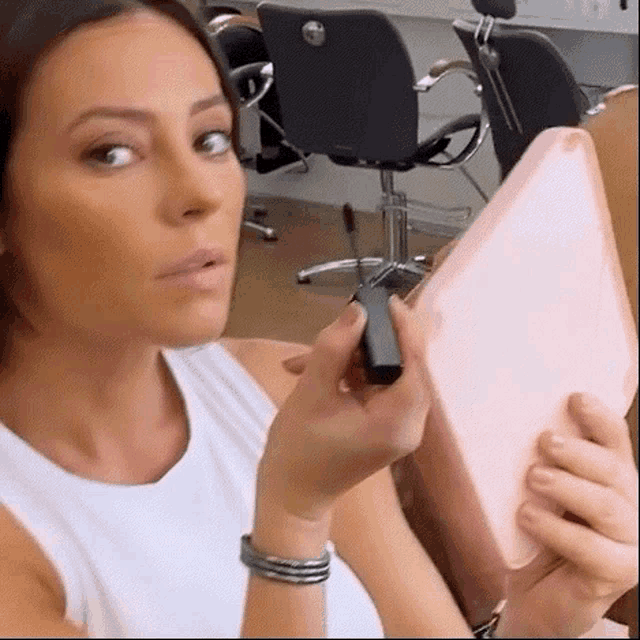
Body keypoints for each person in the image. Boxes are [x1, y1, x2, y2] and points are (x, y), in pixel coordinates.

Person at [0, 0, 636, 637]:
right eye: (113, 152)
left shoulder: (279, 390)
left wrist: (544, 620)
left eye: (210, 139)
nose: (199, 191)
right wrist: (294, 520)